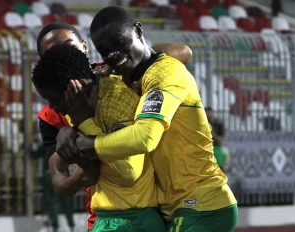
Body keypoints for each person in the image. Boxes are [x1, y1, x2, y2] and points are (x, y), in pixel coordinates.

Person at [58, 6, 238, 232]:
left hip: (201, 204)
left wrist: (91, 143)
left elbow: (145, 136)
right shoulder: (128, 78)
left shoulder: (164, 74)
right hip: (176, 207)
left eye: (119, 41)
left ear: (138, 30)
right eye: (104, 51)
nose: (114, 53)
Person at [35, 22, 193, 231]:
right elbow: (59, 180)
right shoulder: (51, 115)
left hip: (160, 205)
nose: (62, 53)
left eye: (68, 46)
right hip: (107, 215)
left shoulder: (117, 74)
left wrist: (118, 63)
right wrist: (82, 175)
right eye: (53, 53)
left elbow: (182, 52)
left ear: (84, 47)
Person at [30, 144, 75, 232]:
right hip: (63, 174)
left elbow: (34, 155)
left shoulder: (46, 144)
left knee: (52, 201)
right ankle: (71, 225)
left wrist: (28, 147)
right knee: (66, 201)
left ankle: (55, 225)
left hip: (50, 174)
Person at [205, 107, 228, 171]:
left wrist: (211, 131)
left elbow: (220, 141)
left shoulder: (218, 125)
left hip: (217, 156)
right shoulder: (201, 126)